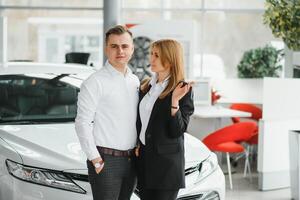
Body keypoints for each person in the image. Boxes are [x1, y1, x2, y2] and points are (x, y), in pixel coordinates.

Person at [75, 25, 139, 200]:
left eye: (125, 46)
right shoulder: (94, 82)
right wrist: (95, 158)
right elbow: (82, 123)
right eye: (114, 46)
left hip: (132, 159)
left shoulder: (134, 81)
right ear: (106, 49)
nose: (120, 51)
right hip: (106, 160)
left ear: (132, 49)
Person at [135, 39, 195, 200]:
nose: (151, 59)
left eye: (156, 55)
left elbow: (177, 131)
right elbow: (140, 121)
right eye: (151, 54)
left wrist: (174, 101)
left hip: (166, 167)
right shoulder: (146, 86)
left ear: (169, 59)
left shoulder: (182, 89)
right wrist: (137, 143)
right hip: (144, 161)